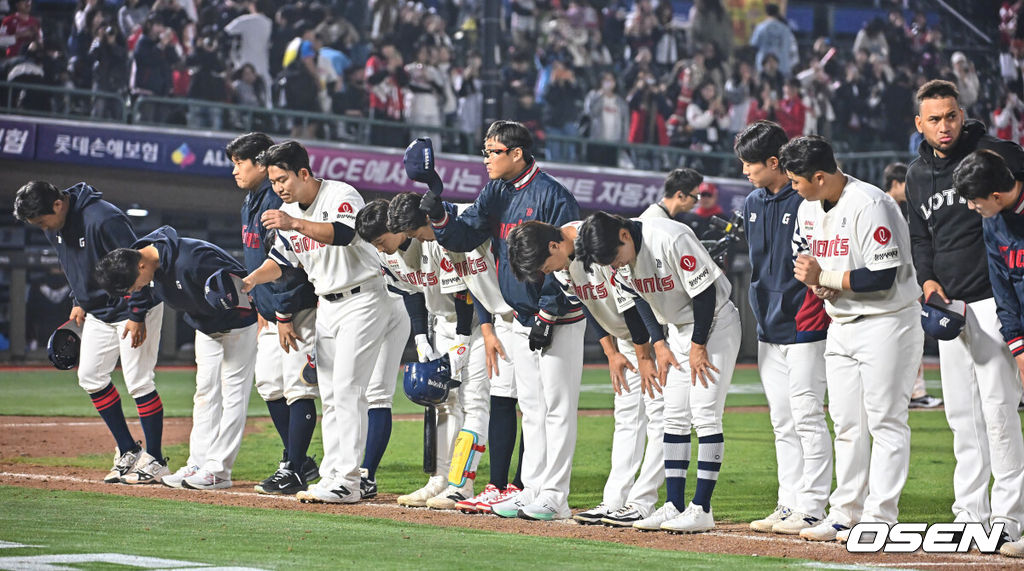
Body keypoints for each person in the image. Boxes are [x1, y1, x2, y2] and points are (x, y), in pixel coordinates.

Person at [415, 123, 586, 521]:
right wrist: (440, 214)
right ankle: (532, 490)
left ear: (517, 154)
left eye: (494, 151)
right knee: (531, 407)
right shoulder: (496, 191)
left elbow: (566, 260)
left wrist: (548, 312)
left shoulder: (553, 195)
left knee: (557, 408)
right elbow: (462, 237)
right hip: (519, 317)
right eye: (485, 151)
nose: (486, 158)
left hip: (557, 316)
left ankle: (555, 496)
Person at [781, 136, 923, 542]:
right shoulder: (810, 208)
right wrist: (823, 286)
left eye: (796, 180)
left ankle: (881, 516)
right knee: (847, 423)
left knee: (886, 421)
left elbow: (881, 278)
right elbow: (827, 270)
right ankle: (845, 512)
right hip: (841, 321)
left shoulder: (870, 203)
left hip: (888, 321)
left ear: (820, 176)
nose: (793, 186)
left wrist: (822, 278)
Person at [906, 80, 1024, 541]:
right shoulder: (917, 176)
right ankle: (969, 515)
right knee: (962, 415)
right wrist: (926, 277)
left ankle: (1010, 520)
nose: (944, 126)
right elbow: (920, 236)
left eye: (951, 116)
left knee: (998, 410)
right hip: (951, 307)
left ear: (962, 113)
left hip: (995, 301)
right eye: (934, 119)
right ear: (919, 123)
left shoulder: (994, 154)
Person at [241, 140, 390, 504]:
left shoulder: (341, 194)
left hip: (364, 298)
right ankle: (332, 476)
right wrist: (248, 281)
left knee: (348, 388)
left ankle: (349, 480)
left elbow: (345, 234)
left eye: (282, 179)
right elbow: (283, 261)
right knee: (332, 394)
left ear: (303, 173)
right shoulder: (288, 210)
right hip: (329, 305)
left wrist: (293, 222)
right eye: (274, 182)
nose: (278, 188)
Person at [575, 211, 742, 534]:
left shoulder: (669, 237)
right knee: (674, 416)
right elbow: (638, 300)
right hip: (678, 330)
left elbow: (705, 293)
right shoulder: (618, 257)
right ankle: (675, 505)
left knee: (705, 414)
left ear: (624, 234)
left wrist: (697, 345)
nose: (614, 266)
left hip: (715, 324)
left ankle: (702, 508)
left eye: (613, 257)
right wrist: (660, 343)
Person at [506, 220, 666, 528]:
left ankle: (642, 502)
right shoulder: (564, 259)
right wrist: (611, 352)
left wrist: (645, 354)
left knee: (660, 415)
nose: (547, 272)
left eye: (545, 265)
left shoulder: (594, 242)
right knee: (627, 417)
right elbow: (588, 304)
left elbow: (633, 302)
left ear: (554, 246)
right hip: (626, 338)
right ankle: (615, 501)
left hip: (655, 333)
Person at [379, 193, 525, 515]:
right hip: (443, 325)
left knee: (474, 402)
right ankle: (440, 479)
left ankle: (462, 484)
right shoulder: (398, 250)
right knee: (443, 403)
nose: (380, 247)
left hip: (475, 324)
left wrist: (461, 340)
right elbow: (412, 289)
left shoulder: (440, 234)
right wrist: (421, 336)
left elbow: (464, 292)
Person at [14, 181, 165, 485]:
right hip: (96, 311)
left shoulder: (103, 218)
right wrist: (77, 300)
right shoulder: (54, 225)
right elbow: (73, 264)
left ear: (58, 205)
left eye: (42, 220)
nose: (42, 226)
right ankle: (128, 450)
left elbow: (138, 265)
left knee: (138, 382)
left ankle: (156, 459)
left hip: (132, 307)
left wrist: (137, 314)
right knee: (91, 378)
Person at [93, 226, 256, 491]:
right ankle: (198, 462)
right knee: (204, 393)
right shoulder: (147, 263)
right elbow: (142, 291)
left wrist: (261, 318)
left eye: (134, 284)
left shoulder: (194, 258)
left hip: (238, 325)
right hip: (205, 327)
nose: (135, 290)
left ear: (142, 266)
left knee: (233, 394)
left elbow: (245, 283)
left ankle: (219, 470)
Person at [733, 121, 832, 535]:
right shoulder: (753, 201)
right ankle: (788, 502)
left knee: (808, 416)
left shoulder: (809, 199)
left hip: (806, 323)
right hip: (768, 326)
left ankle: (813, 505)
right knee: (782, 420)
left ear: (774, 162)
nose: (745, 172)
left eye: (750, 164)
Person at [226, 133, 320, 495]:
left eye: (240, 162)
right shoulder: (251, 201)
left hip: (295, 310)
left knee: (298, 388)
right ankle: (299, 461)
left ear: (261, 164)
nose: (234, 170)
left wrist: (282, 312)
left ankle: (293, 466)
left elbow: (290, 267)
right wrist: (262, 305)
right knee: (268, 385)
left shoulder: (275, 202)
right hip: (271, 311)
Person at [950, 149, 1024, 557]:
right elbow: (1004, 290)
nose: (971, 207)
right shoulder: (994, 222)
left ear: (997, 193)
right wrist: (1018, 348)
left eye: (975, 200)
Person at [882, 161, 944, 410]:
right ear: (896, 183)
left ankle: (908, 392)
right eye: (905, 183)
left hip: (896, 285)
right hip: (898, 285)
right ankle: (914, 392)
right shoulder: (884, 207)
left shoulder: (894, 207)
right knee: (910, 340)